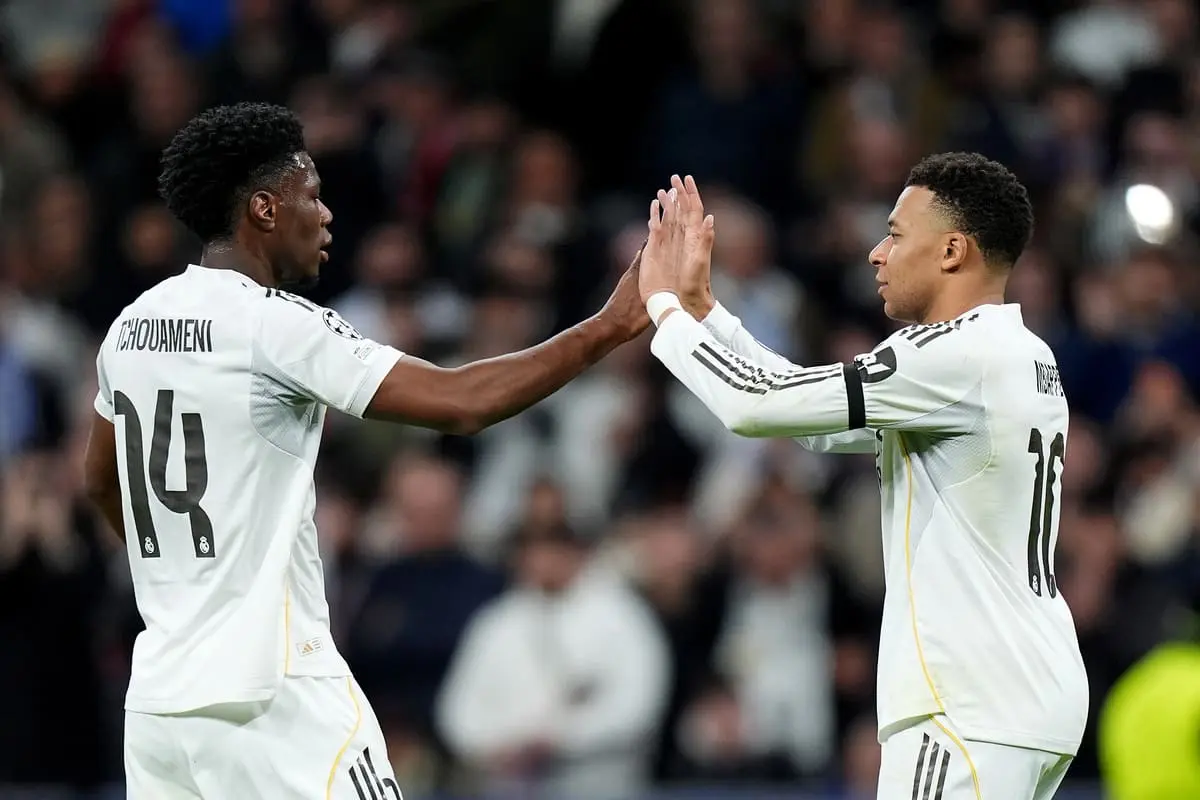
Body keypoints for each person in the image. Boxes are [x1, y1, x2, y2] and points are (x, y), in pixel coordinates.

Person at [81, 101, 648, 799]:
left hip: (163, 708)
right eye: (311, 197)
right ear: (263, 209)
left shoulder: (132, 327)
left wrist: (182, 580)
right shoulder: (274, 325)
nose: (325, 217)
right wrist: (609, 327)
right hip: (277, 695)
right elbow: (462, 403)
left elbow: (102, 481)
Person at [637, 161, 1088, 799]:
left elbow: (757, 406)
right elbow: (811, 419)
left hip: (965, 700)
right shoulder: (1019, 354)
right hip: (1027, 694)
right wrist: (707, 314)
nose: (877, 254)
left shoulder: (955, 356)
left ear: (953, 250)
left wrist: (661, 308)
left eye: (897, 235)